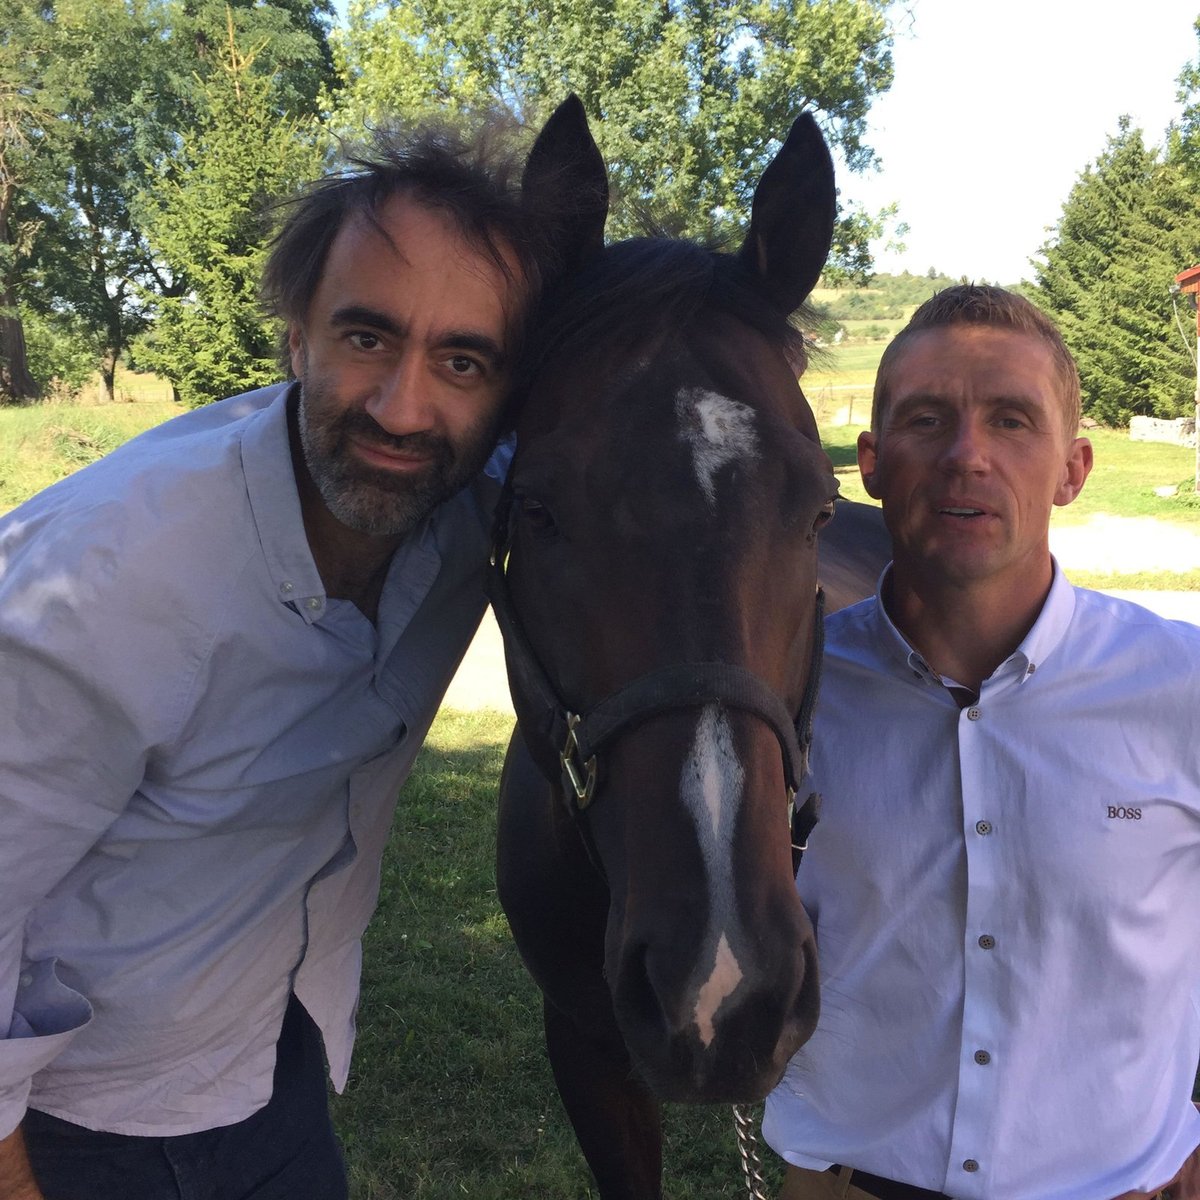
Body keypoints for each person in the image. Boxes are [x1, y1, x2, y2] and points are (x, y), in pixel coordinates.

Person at [0, 104, 592, 1200]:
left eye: (464, 360)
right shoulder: (105, 585)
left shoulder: (473, 515)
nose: (405, 408)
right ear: (296, 334)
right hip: (76, 1130)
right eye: (367, 336)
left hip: (275, 1078)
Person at [764, 286, 1200, 1200]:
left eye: (1012, 421)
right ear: (872, 463)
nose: (969, 456)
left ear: (1073, 470)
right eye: (929, 420)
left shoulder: (1180, 688)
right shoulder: (785, 694)